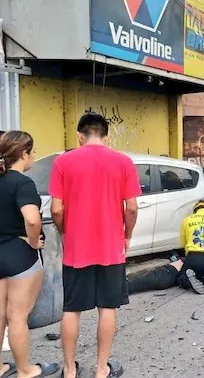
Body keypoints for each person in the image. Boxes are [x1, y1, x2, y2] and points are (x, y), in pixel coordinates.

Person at [50, 113, 139, 378]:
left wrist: (66, 232)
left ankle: (69, 370)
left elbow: (56, 209)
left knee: (72, 309)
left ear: (79, 135)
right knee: (108, 307)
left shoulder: (63, 161)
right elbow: (132, 207)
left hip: (77, 249)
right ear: (106, 135)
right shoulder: (123, 162)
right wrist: (126, 235)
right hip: (111, 247)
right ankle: (101, 369)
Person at [0, 131, 59, 377]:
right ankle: (25, 370)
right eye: (32, 151)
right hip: (19, 258)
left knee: (1, 315)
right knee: (17, 316)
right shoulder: (22, 182)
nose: (33, 156)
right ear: (24, 153)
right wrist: (34, 242)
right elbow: (33, 220)